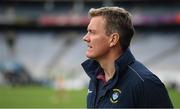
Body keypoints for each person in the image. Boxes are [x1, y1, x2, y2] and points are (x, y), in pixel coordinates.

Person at [81, 7, 173, 108]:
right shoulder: (96, 78)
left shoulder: (145, 83)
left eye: (92, 32)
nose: (85, 38)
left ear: (113, 39)